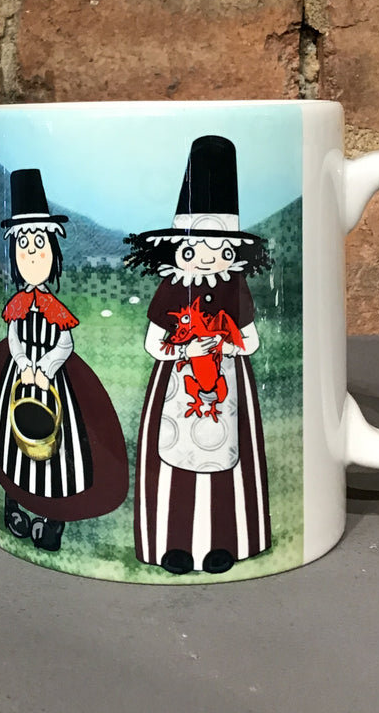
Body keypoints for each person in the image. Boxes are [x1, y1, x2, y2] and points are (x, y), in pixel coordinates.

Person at [124, 135, 272, 576]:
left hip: (225, 387)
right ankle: (173, 546)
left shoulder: (235, 287)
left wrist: (224, 344)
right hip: (176, 388)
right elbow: (154, 343)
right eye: (194, 248)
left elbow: (251, 340)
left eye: (216, 247)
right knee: (173, 464)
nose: (205, 257)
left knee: (228, 464)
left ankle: (225, 543)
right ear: (178, 248)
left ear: (231, 249)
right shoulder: (171, 289)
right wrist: (185, 349)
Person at [0, 169, 128, 553]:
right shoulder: (17, 303)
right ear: (13, 251)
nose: (32, 252)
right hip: (19, 376)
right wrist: (22, 362)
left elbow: (65, 343)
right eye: (24, 244)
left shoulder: (52, 306)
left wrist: (44, 369)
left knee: (59, 444)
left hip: (51, 382)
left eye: (39, 243)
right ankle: (15, 500)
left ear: (53, 250)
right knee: (13, 441)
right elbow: (14, 334)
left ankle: (52, 516)